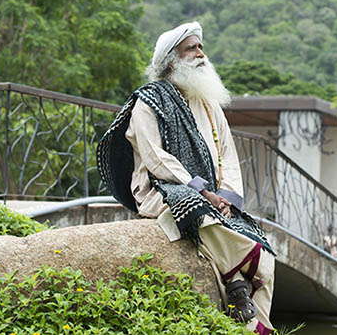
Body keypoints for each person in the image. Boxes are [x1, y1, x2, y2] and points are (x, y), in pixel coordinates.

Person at [97, 21, 275, 335]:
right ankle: (235, 284)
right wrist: (204, 192)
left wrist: (228, 197)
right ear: (170, 61)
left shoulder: (207, 103)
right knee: (198, 213)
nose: (200, 54)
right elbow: (155, 158)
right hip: (163, 188)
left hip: (215, 198)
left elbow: (228, 155)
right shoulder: (148, 101)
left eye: (200, 47)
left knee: (264, 254)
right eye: (191, 48)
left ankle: (259, 327)